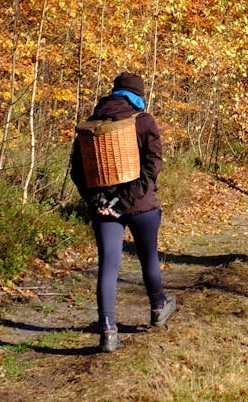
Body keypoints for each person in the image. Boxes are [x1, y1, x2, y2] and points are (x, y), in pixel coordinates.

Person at [70, 72, 176, 353]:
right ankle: (157, 306)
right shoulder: (143, 122)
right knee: (148, 257)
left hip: (104, 210)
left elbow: (77, 172)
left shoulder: (89, 126)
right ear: (138, 96)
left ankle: (107, 329)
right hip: (142, 206)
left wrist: (99, 201)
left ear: (114, 92)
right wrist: (125, 200)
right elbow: (153, 167)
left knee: (108, 267)